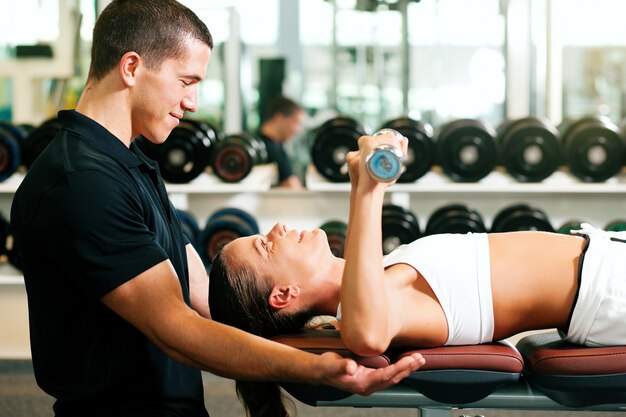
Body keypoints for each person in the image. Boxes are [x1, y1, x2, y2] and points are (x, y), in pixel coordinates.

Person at [9, 2, 424, 416]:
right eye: (186, 81)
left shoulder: (125, 162)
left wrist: (316, 318)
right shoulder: (80, 181)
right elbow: (176, 328)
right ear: (131, 68)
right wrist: (314, 369)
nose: (192, 102)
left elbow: (201, 293)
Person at [208, 131, 626, 415]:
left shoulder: (381, 276)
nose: (278, 229)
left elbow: (362, 264)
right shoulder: (376, 309)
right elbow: (367, 335)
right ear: (284, 295)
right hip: (608, 290)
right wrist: (372, 188)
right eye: (266, 244)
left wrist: (360, 177)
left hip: (608, 263)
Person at [257, 96, 306, 189]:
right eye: (296, 122)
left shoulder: (277, 146)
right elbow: (292, 186)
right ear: (279, 118)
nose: (298, 130)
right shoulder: (268, 149)